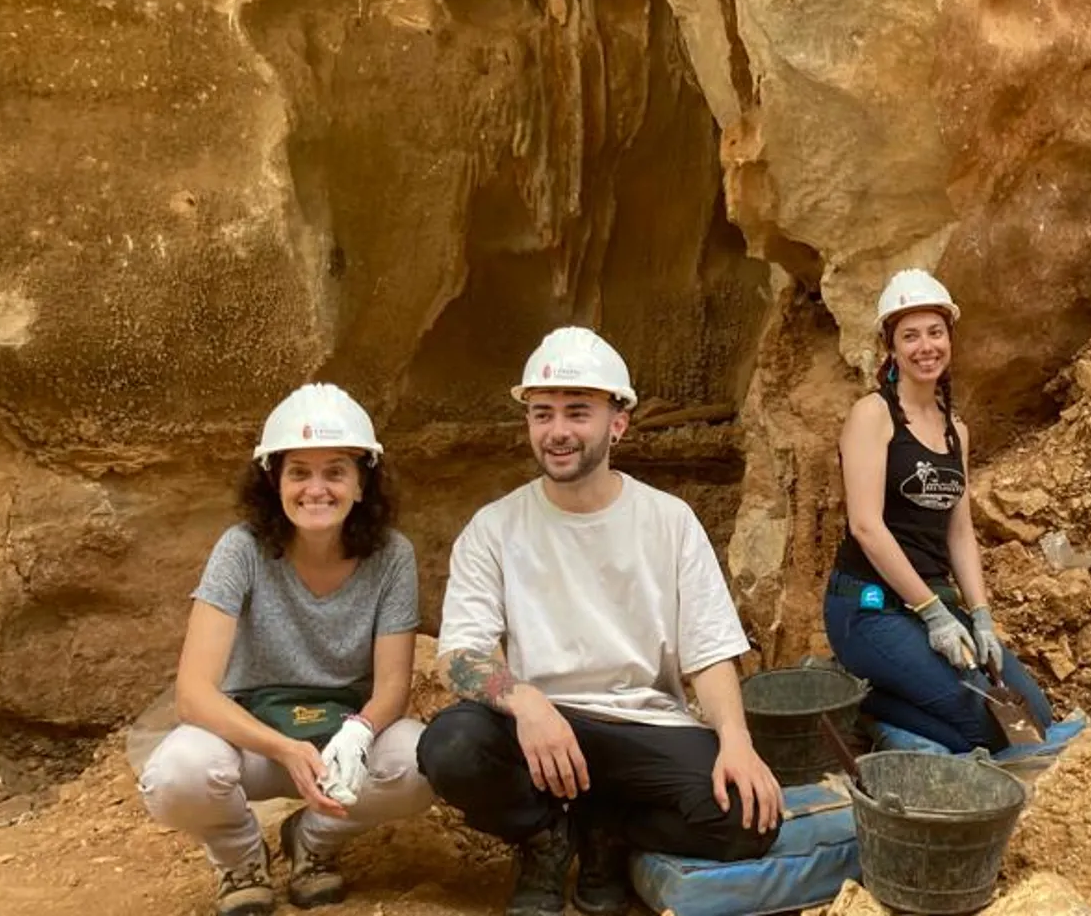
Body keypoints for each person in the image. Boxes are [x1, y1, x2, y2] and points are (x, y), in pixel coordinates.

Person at [416, 326, 781, 916]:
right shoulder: (495, 527)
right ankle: (542, 838)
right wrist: (527, 702)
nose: (557, 431)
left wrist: (736, 742)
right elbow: (459, 655)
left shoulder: (670, 521)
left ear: (618, 422)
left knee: (749, 819)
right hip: (539, 729)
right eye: (542, 414)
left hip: (643, 725)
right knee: (451, 748)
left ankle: (606, 829)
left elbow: (709, 651)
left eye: (577, 412)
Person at [139, 384, 432, 916]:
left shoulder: (392, 555)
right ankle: (241, 860)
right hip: (251, 736)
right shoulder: (241, 549)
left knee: (422, 762)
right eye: (299, 471)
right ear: (273, 479)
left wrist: (360, 733)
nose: (316, 489)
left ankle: (313, 843)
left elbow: (393, 686)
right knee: (177, 776)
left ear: (362, 482)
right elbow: (193, 695)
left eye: (335, 471)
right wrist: (283, 749)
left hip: (341, 737)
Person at [822, 269, 1054, 753]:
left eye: (935, 332)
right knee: (984, 729)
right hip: (869, 607)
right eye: (910, 336)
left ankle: (901, 689)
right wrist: (933, 614)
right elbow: (866, 526)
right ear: (891, 347)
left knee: (1034, 715)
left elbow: (960, 533)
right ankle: (862, 705)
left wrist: (981, 616)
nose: (925, 346)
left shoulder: (955, 431)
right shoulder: (874, 414)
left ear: (950, 338)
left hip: (935, 605)